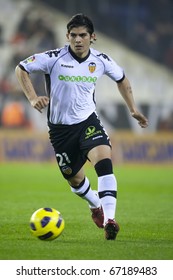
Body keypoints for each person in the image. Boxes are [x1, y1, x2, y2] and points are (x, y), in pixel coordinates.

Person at [15, 13, 148, 240]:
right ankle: (95, 204)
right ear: (67, 36)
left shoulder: (101, 60)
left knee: (104, 162)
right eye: (74, 35)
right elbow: (21, 68)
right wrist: (32, 97)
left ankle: (109, 220)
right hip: (60, 131)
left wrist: (133, 108)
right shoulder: (54, 58)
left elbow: (122, 79)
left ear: (92, 37)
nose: (78, 40)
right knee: (75, 180)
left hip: (88, 122)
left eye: (83, 35)